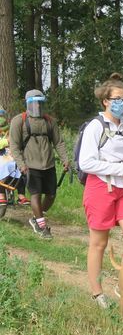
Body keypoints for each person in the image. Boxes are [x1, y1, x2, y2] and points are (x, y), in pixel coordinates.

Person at [78, 73, 123, 309]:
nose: (122, 103)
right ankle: (97, 293)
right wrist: (119, 169)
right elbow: (85, 163)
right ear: (105, 101)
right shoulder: (95, 127)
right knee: (98, 243)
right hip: (100, 187)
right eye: (117, 98)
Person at [9, 90, 69, 238]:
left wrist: (65, 160)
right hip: (30, 166)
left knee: (51, 195)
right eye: (34, 103)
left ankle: (37, 218)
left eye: (40, 103)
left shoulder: (50, 121)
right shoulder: (19, 121)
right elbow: (14, 146)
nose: (37, 106)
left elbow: (58, 142)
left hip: (49, 164)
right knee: (35, 195)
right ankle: (42, 228)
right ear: (28, 103)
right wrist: (22, 164)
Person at [0, 108, 29, 207]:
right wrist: (6, 142)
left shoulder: (10, 130)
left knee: (19, 167)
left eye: (2, 116)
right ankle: (1, 195)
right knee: (1, 168)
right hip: (1, 157)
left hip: (9, 155)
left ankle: (21, 195)